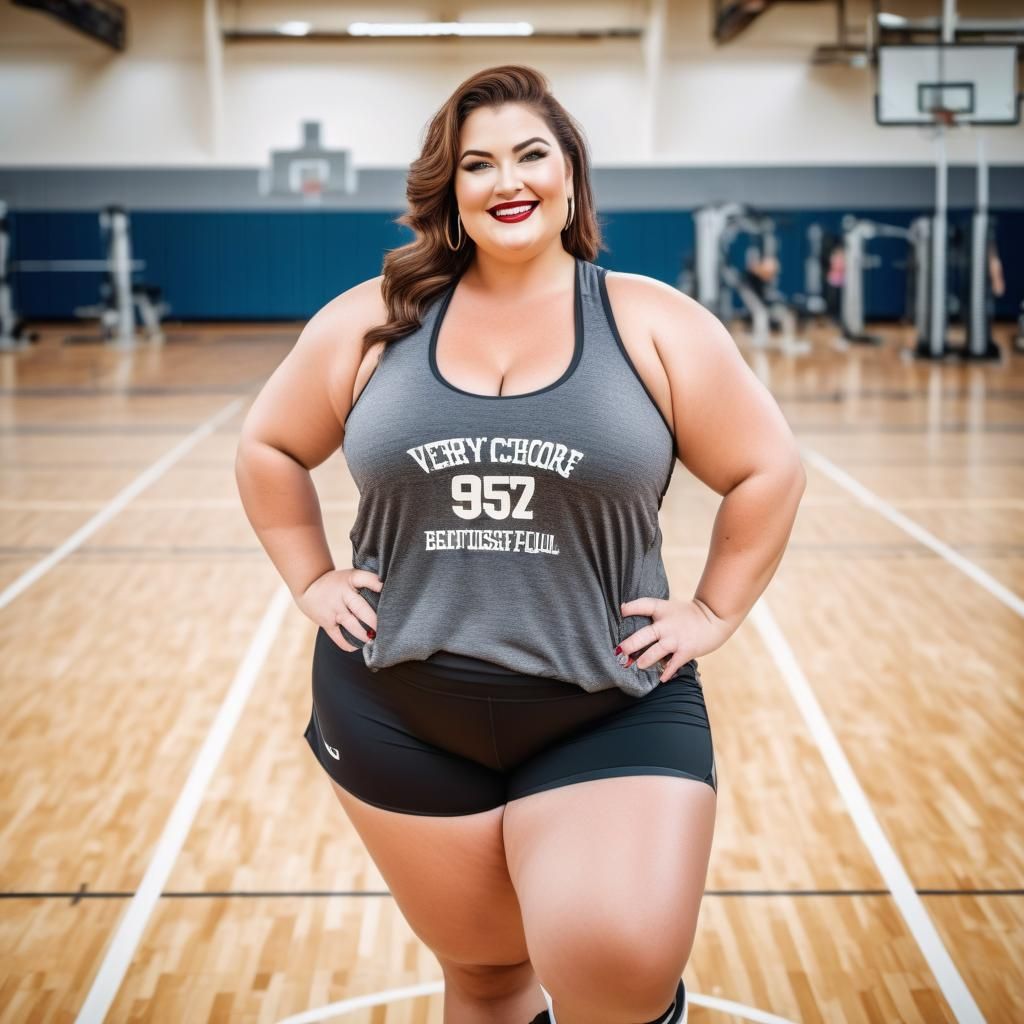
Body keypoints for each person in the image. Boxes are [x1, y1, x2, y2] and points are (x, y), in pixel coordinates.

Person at [235, 64, 806, 1024]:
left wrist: (713, 611)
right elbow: (269, 445)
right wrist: (310, 578)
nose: (509, 179)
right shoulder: (374, 319)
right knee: (489, 978)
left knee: (615, 975)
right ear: (451, 194)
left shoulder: (650, 321)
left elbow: (768, 470)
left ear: (571, 176)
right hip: (397, 709)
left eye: (531, 154)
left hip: (604, 704)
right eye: (478, 163)